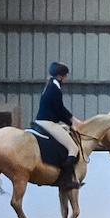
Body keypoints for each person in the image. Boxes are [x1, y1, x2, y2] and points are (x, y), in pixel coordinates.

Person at [35, 61, 85, 189]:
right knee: (73, 148)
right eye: (65, 76)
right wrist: (72, 122)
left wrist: (72, 119)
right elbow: (59, 110)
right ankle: (66, 180)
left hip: (43, 120)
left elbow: (59, 109)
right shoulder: (54, 89)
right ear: (60, 76)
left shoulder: (51, 85)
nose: (66, 79)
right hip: (48, 122)